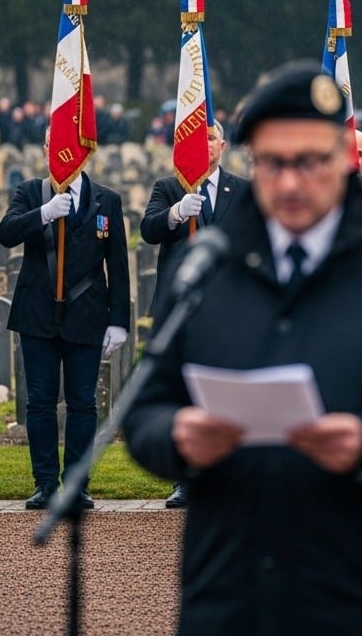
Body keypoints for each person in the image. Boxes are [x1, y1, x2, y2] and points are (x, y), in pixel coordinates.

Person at [123, 62, 362, 634]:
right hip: (227, 596)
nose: (290, 182)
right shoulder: (204, 270)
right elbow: (143, 411)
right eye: (273, 163)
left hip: (358, 593)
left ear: (343, 159)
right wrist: (178, 436)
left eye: (310, 162)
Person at [0, 136, 130, 510]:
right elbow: (5, 233)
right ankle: (43, 483)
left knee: (83, 402)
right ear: (44, 151)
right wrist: (44, 212)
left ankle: (77, 483)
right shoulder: (29, 192)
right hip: (37, 314)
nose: (60, 153)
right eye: (52, 146)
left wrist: (118, 320)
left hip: (86, 314)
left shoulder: (107, 200)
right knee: (39, 402)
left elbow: (117, 265)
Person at [139, 119, 251, 508]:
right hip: (182, 310)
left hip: (229, 308)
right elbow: (148, 230)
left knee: (229, 394)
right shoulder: (168, 187)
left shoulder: (242, 190)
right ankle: (186, 479)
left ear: (222, 145)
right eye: (195, 138)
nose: (203, 145)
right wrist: (175, 213)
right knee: (186, 395)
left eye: (209, 138)